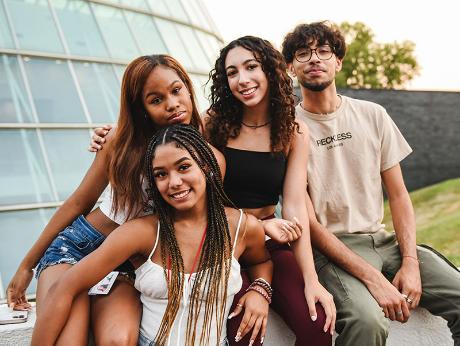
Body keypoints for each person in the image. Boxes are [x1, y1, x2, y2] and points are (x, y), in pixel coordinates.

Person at [6, 54, 225, 345]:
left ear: (187, 87)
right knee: (70, 340)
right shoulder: (120, 143)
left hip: (127, 265)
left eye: (176, 90)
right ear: (142, 108)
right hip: (78, 250)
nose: (172, 104)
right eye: (155, 99)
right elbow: (78, 202)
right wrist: (26, 264)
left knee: (118, 340)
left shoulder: (206, 150)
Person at [281, 21, 460, 345]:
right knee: (367, 322)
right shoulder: (289, 130)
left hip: (384, 241)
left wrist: (410, 262)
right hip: (333, 251)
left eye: (323, 51)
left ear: (338, 61)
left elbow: (400, 195)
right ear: (291, 67)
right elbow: (308, 222)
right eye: (303, 53)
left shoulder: (373, 114)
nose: (314, 59)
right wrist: (374, 279)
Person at [31, 124, 273, 346]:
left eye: (184, 167)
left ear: (206, 167)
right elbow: (65, 286)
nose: (174, 182)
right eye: (161, 174)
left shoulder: (242, 227)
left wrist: (260, 290)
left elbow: (261, 260)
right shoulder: (141, 233)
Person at [205, 36, 335, 346]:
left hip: (271, 244)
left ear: (270, 72)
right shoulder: (213, 124)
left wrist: (311, 278)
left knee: (318, 325)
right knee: (244, 333)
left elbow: (293, 207)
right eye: (232, 72)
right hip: (222, 243)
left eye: (251, 67)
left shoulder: (293, 132)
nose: (242, 79)